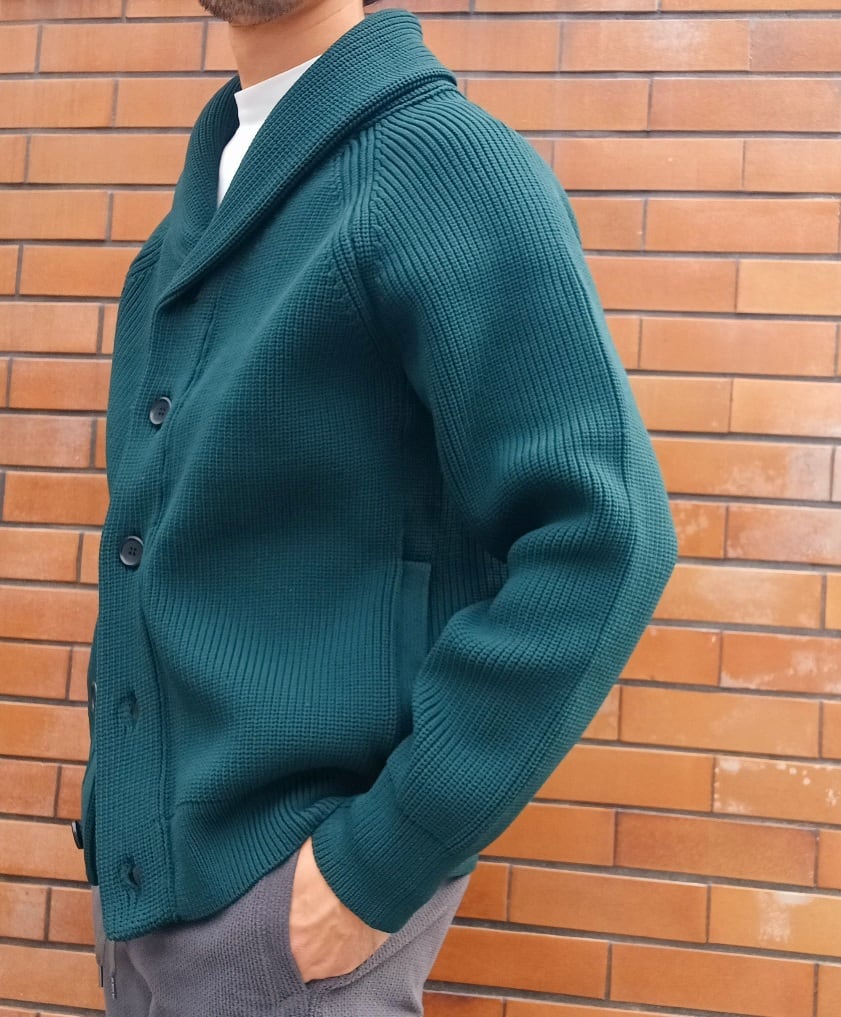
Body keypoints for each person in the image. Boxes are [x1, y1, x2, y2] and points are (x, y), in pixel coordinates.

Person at [74, 0, 678, 1012]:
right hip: (147, 908)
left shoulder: (440, 168)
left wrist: (372, 869)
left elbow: (604, 539)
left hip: (285, 919)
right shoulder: (200, 211)